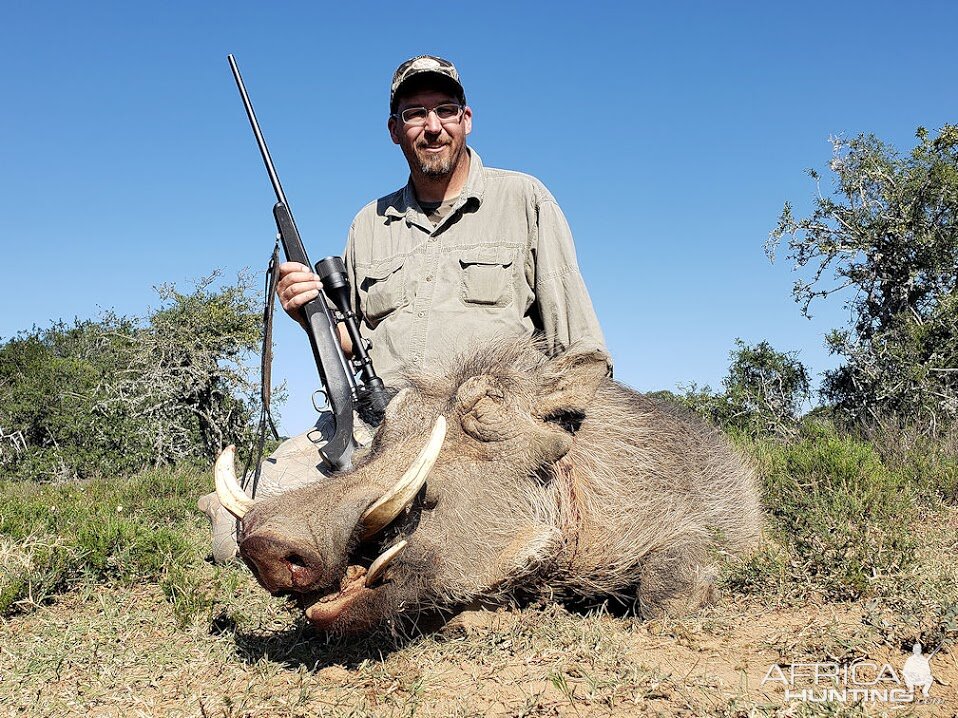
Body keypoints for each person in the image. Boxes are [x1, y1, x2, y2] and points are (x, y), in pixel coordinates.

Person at [200, 55, 610, 562]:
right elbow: (354, 344)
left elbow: (583, 349)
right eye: (415, 113)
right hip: (381, 426)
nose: (432, 127)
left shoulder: (525, 199)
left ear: (466, 119)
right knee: (235, 529)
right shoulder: (368, 224)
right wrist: (311, 316)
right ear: (395, 130)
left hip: (483, 435)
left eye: (445, 110)